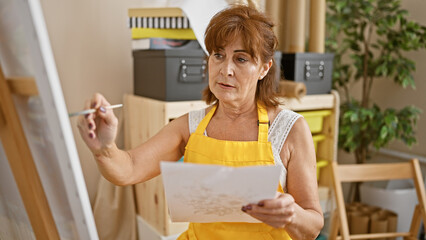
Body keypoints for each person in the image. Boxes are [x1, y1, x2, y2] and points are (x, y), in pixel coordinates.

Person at [77, 5, 323, 240]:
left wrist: (291, 215)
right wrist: (104, 148)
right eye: (218, 55)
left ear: (264, 68)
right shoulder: (190, 125)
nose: (225, 69)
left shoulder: (290, 130)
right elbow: (128, 168)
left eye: (241, 59)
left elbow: (312, 227)